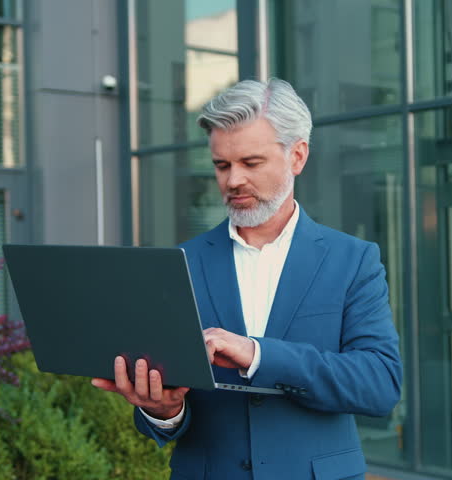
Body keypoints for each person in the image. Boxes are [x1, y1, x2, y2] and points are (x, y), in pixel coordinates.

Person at [92, 78, 402, 480]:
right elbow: (167, 408)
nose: (233, 180)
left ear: (298, 156)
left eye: (251, 163)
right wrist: (162, 411)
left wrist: (258, 355)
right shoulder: (180, 263)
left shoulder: (354, 261)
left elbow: (379, 385)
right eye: (222, 165)